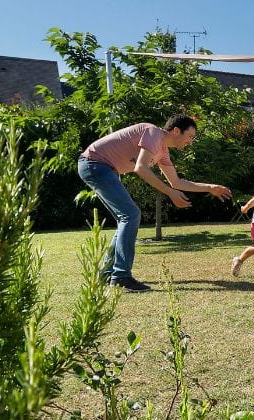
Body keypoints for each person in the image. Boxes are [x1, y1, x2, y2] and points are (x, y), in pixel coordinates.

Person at [78, 114, 232, 292]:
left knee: (126, 218)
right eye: (190, 136)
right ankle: (121, 276)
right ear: (175, 131)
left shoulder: (162, 151)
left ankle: (107, 273)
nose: (191, 141)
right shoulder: (153, 133)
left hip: (102, 168)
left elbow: (176, 182)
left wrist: (209, 187)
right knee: (131, 215)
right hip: (95, 164)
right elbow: (141, 168)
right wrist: (170, 193)